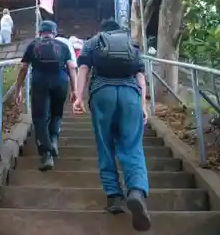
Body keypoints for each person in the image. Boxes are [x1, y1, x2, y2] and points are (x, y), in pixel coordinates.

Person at [72, 18, 151, 232]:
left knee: (105, 146)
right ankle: (135, 192)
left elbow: (83, 70)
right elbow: (141, 77)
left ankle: (114, 197)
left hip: (102, 94)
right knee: (132, 146)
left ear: (102, 31)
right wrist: (143, 105)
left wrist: (78, 97)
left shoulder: (93, 42)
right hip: (130, 95)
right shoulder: (131, 44)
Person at [15, 21, 78, 171]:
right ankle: (54, 140)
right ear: (54, 32)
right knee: (56, 114)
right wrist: (75, 90)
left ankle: (47, 153)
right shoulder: (62, 46)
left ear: (40, 32)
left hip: (40, 82)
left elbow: (24, 67)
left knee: (40, 118)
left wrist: (18, 88)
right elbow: (71, 66)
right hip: (60, 82)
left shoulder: (33, 45)